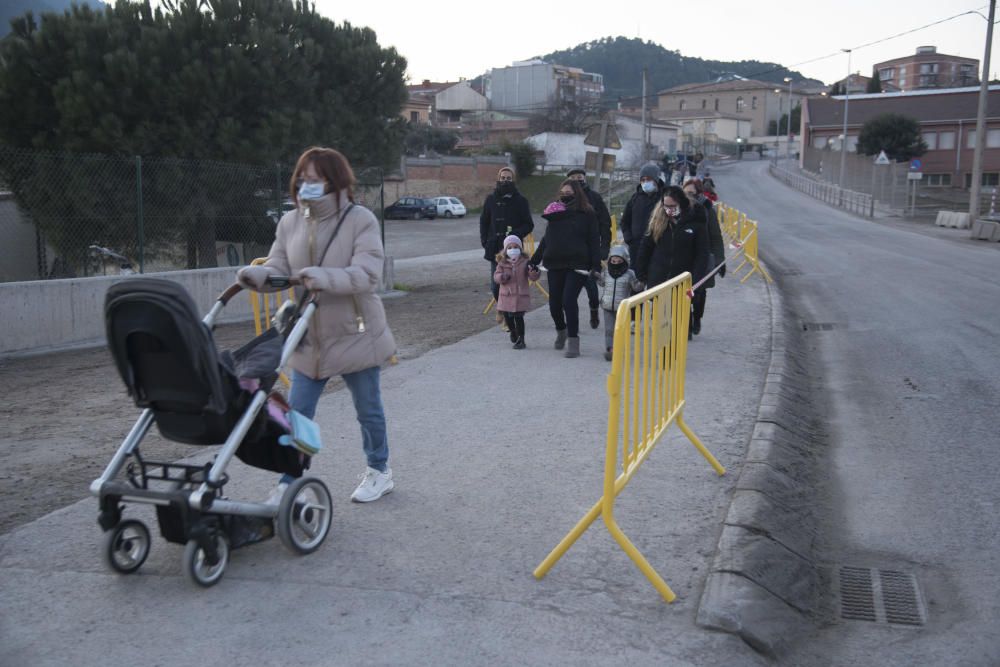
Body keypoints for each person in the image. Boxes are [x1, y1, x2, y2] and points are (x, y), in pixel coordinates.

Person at [237, 147, 397, 504]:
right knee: (297, 415)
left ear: (334, 181)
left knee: (368, 409)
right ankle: (289, 481)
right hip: (309, 334)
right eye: (302, 179)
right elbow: (279, 265)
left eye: (315, 179)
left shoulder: (360, 220)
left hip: (355, 331)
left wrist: (324, 277)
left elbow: (368, 274)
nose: (305, 185)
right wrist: (259, 275)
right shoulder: (290, 221)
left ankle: (379, 470)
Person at [528, 179, 601, 358]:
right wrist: (534, 260)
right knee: (554, 304)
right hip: (555, 263)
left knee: (568, 301)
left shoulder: (587, 213)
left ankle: (574, 342)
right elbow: (546, 240)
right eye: (563, 193)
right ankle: (562, 330)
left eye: (569, 193)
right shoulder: (554, 212)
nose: (565, 195)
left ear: (577, 193)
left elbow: (593, 240)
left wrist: (596, 265)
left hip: (578, 264)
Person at [634, 186, 710, 339]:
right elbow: (645, 248)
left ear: (681, 203)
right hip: (658, 277)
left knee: (678, 317)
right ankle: (662, 351)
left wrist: (696, 280)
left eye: (672, 206)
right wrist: (641, 273)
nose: (668, 210)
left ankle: (679, 342)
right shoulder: (658, 221)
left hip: (682, 279)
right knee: (659, 319)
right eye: (665, 206)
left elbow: (702, 255)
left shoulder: (696, 224)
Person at [480, 167, 534, 327]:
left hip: (513, 250)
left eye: (508, 178)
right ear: (498, 179)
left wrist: (515, 235)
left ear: (513, 180)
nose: (505, 180)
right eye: (503, 178)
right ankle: (501, 308)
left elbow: (529, 224)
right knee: (495, 284)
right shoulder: (490, 199)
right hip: (495, 248)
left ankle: (511, 316)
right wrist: (485, 241)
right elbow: (484, 222)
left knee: (512, 283)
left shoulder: (521, 201)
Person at [567, 167, 611, 330]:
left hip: (590, 250)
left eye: (580, 177)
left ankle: (593, 309)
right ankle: (572, 323)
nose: (578, 180)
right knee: (569, 293)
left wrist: (604, 247)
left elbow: (605, 223)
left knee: (591, 286)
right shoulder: (565, 199)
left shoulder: (594, 198)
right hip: (569, 252)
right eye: (574, 178)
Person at [683, 178, 726, 336]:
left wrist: (720, 261)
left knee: (699, 292)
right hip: (685, 257)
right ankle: (686, 326)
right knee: (685, 293)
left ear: (699, 193)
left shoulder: (707, 209)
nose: (688, 197)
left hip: (704, 257)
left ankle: (697, 317)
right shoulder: (679, 208)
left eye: (691, 193)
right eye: (685, 193)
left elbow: (716, 236)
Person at [493, 235, 541, 349]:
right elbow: (496, 276)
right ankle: (513, 331)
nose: (513, 249)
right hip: (506, 296)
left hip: (520, 296)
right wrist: (502, 277)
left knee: (519, 318)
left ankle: (521, 339)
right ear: (505, 250)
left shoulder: (525, 262)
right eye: (510, 247)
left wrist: (534, 272)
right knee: (508, 318)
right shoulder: (502, 263)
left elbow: (533, 277)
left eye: (516, 247)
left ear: (520, 248)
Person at [599, 244, 643, 361]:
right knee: (609, 329)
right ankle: (610, 349)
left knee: (619, 330)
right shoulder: (606, 272)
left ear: (624, 260)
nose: (615, 262)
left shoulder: (630, 274)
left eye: (618, 260)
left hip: (622, 308)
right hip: (607, 305)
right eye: (613, 260)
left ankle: (618, 349)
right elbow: (602, 283)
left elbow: (636, 287)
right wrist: (597, 276)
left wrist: (642, 282)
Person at [620, 162, 664, 267]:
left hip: (657, 247)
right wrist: (629, 238)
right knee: (636, 275)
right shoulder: (635, 198)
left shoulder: (665, 197)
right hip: (636, 247)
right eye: (642, 180)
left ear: (656, 180)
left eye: (648, 179)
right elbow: (624, 221)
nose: (645, 182)